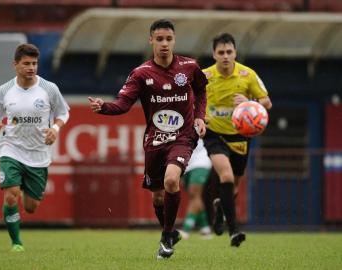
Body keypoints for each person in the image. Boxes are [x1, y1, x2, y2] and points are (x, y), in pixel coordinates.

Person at [88, 19, 207, 259]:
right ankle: (169, 231)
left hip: (183, 137)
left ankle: (166, 238)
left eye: (168, 39)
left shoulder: (190, 67)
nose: (164, 43)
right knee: (158, 195)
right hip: (154, 140)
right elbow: (123, 105)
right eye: (159, 39)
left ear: (174, 40)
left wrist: (200, 117)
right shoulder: (141, 74)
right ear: (151, 40)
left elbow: (202, 90)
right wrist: (104, 107)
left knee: (172, 180)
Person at [0, 43, 70, 252]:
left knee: (31, 207)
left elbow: (63, 113)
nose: (31, 67)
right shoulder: (5, 90)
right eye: (26, 64)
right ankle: (16, 242)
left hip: (38, 153)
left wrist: (56, 128)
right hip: (11, 147)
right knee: (10, 194)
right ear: (15, 65)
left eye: (34, 63)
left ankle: (24, 186)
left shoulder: (49, 88)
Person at [202, 33, 272, 247]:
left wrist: (250, 101)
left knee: (234, 186)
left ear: (235, 53)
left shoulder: (247, 74)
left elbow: (267, 102)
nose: (225, 56)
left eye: (229, 52)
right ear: (214, 54)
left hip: (241, 135)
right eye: (221, 52)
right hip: (214, 134)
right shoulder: (203, 76)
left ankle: (220, 209)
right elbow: (191, 100)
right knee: (226, 175)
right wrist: (199, 116)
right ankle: (234, 231)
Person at [179, 138, 213, 240]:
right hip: (185, 163)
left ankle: (186, 229)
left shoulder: (201, 121)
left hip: (201, 161)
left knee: (194, 194)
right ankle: (205, 228)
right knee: (194, 197)